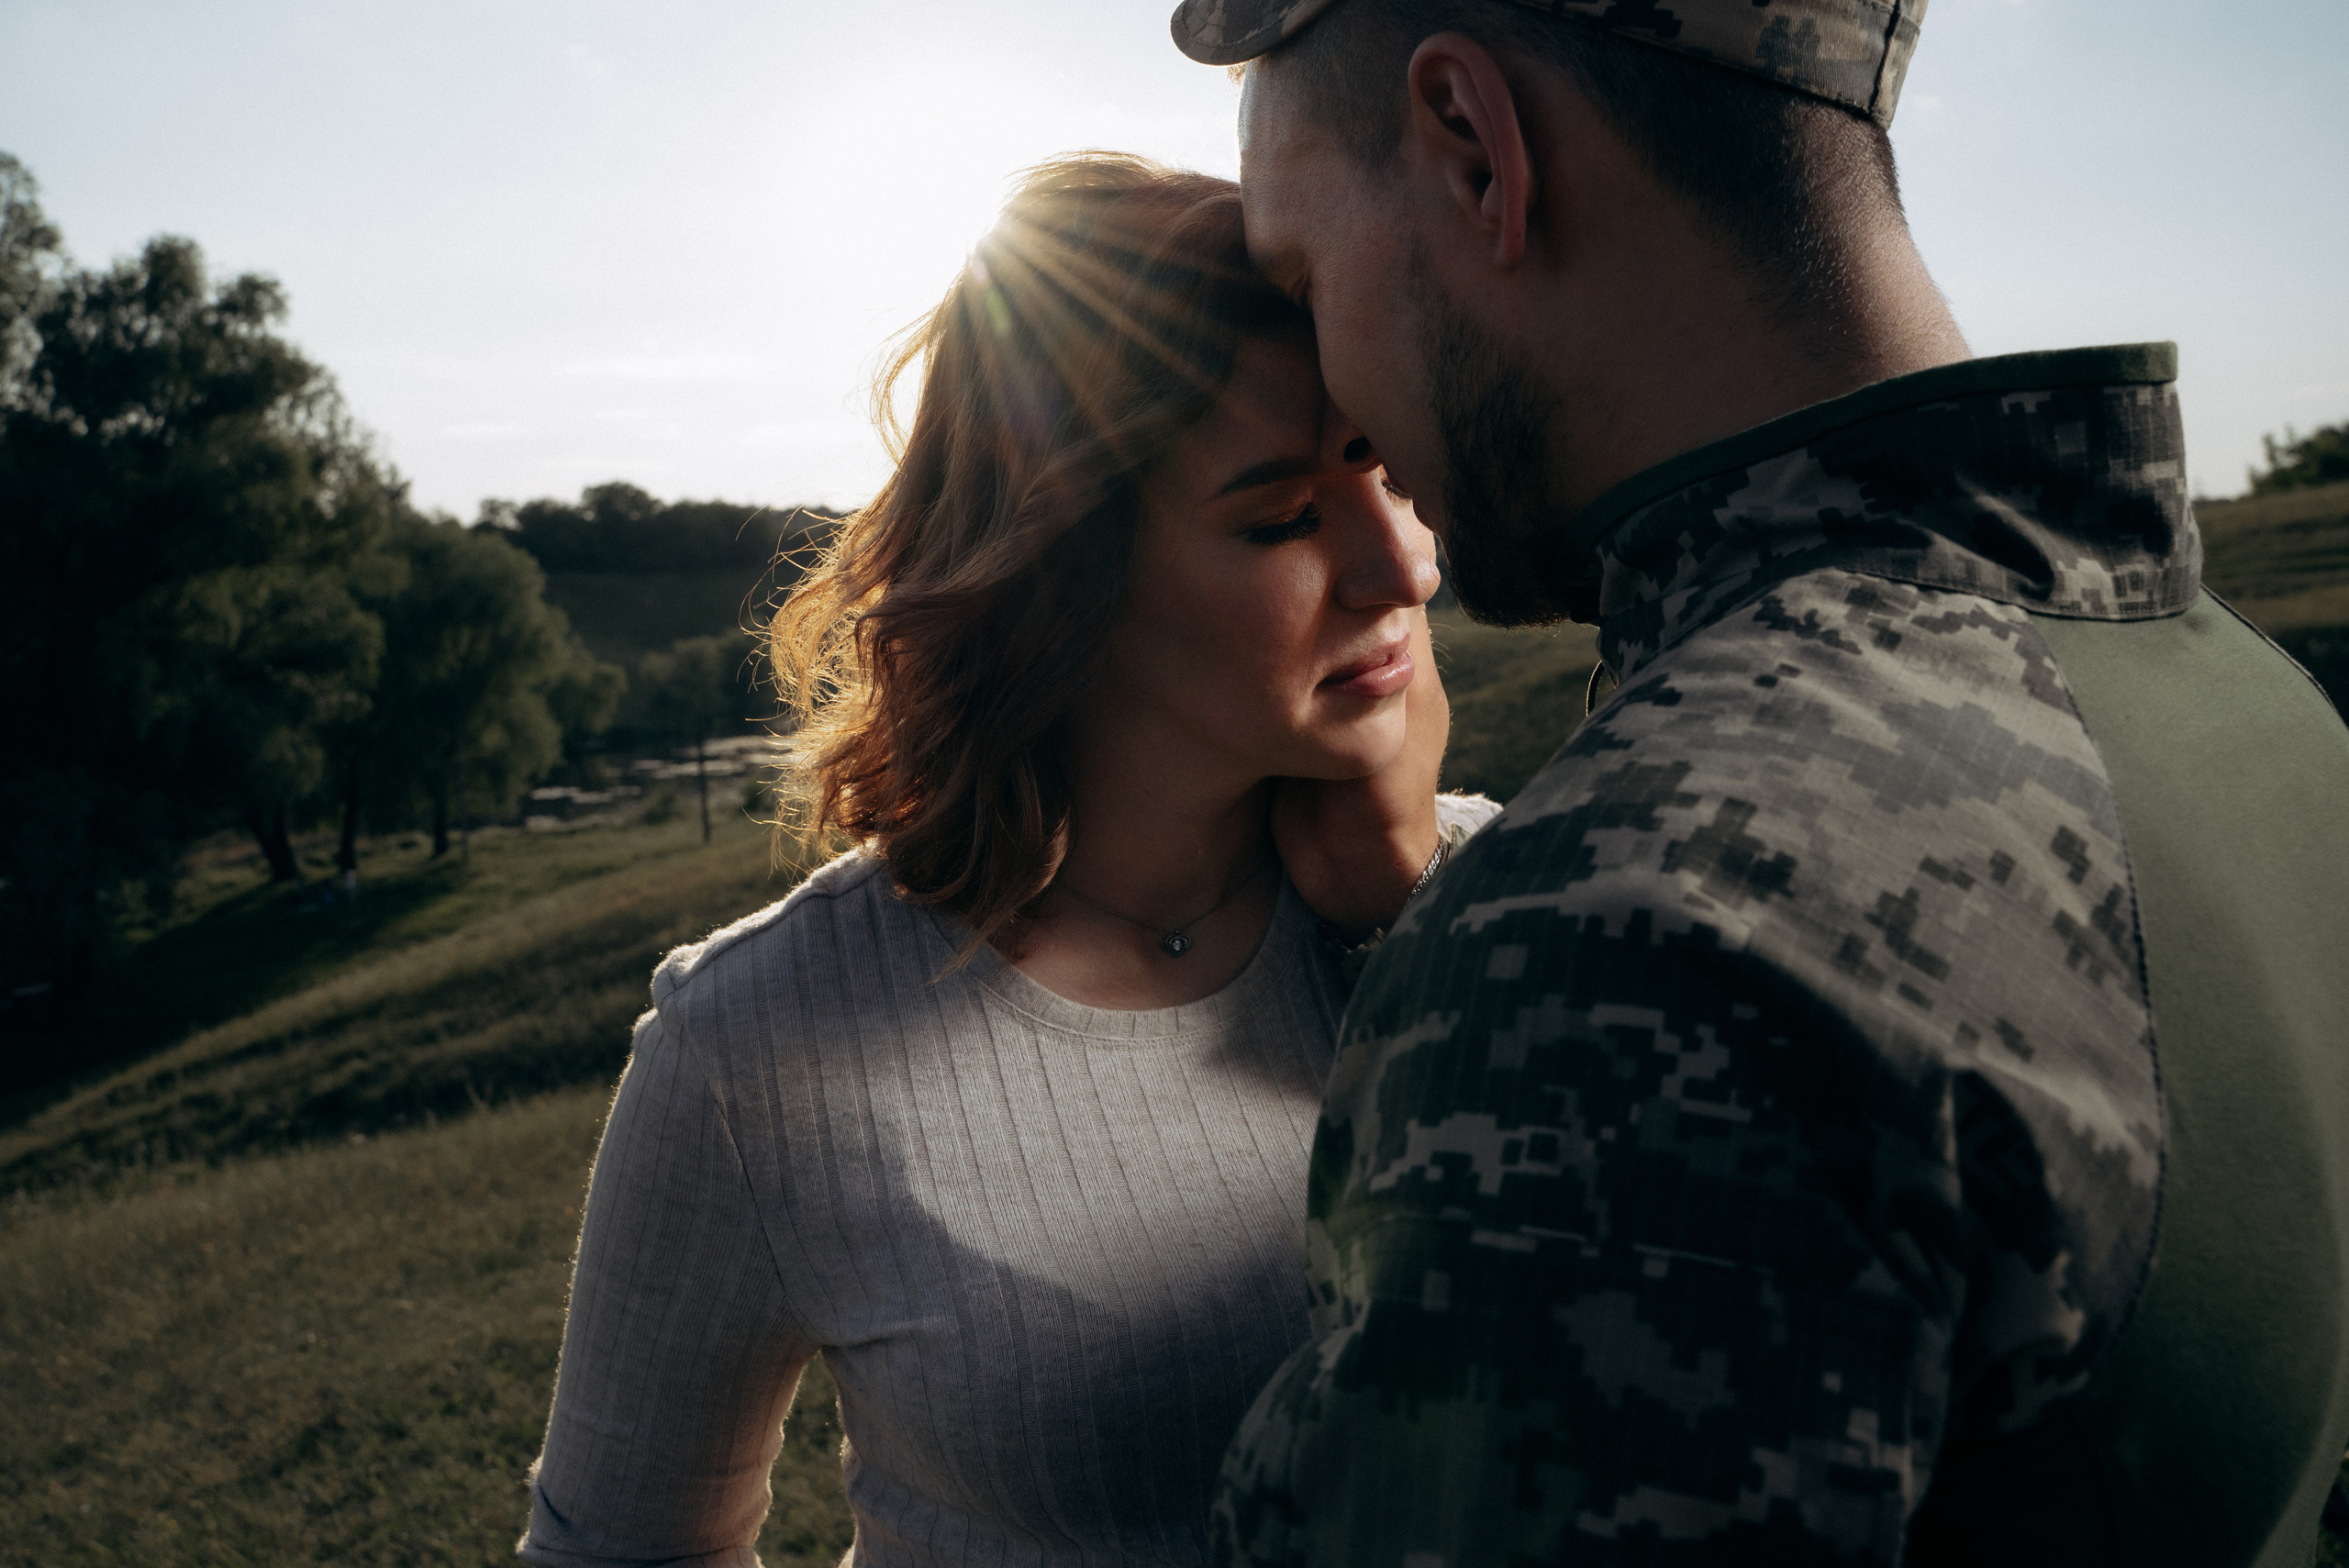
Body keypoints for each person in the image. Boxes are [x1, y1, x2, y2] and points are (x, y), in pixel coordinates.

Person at [1170, 2, 2349, 1562]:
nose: (1338, 378)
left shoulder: (1632, 936)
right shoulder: (2261, 712)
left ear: (1474, 150)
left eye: (1305, 274)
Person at [517, 153, 1497, 1568]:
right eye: (1284, 515)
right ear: (1064, 567)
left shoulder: (1506, 905)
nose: (1400, 568)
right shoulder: (754, 1046)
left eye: (1390, 470)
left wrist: (1414, 911)